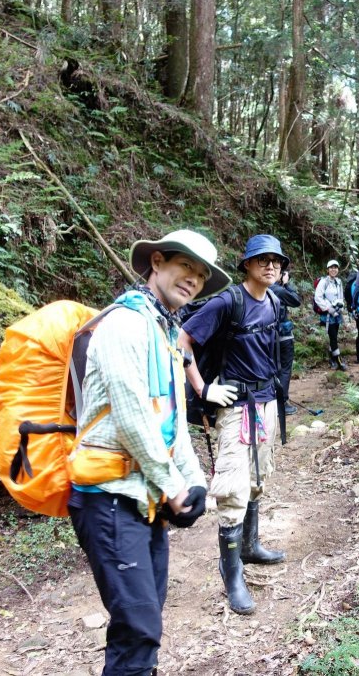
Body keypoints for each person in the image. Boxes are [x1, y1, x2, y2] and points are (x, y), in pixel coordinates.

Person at [69, 229, 231, 676]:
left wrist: (192, 481)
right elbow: (131, 416)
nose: (194, 280)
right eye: (186, 267)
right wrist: (174, 486)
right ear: (157, 262)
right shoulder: (123, 323)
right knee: (139, 625)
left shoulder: (165, 331)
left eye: (201, 275)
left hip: (145, 499)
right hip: (109, 496)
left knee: (145, 616)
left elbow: (173, 420)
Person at [178, 234, 288, 616]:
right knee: (232, 486)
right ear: (247, 265)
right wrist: (203, 389)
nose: (271, 266)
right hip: (236, 407)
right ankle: (232, 572)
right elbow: (183, 340)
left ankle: (250, 547)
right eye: (263, 260)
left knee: (258, 477)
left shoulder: (274, 301)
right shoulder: (228, 301)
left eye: (276, 260)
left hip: (265, 403)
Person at [269, 268, 301, 414]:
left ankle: (271, 401)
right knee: (284, 369)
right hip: (283, 337)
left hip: (267, 338)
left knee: (272, 369)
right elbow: (296, 300)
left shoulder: (262, 289)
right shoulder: (278, 290)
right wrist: (286, 284)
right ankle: (282, 403)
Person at [313, 259, 348, 370]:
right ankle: (338, 361)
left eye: (335, 268)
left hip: (337, 313)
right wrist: (328, 308)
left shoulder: (338, 282)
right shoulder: (324, 282)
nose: (334, 270)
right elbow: (318, 297)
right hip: (328, 314)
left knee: (334, 336)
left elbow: (341, 296)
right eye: (331, 268)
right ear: (327, 270)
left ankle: (332, 359)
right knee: (333, 337)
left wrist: (340, 307)